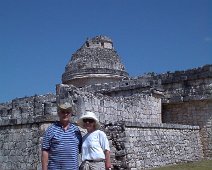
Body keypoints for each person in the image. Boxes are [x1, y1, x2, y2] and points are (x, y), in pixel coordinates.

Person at [41, 102, 82, 170]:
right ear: (58, 113)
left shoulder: (76, 130)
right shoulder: (51, 129)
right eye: (63, 112)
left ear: (71, 114)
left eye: (68, 112)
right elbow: (45, 151)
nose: (65, 114)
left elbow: (80, 149)